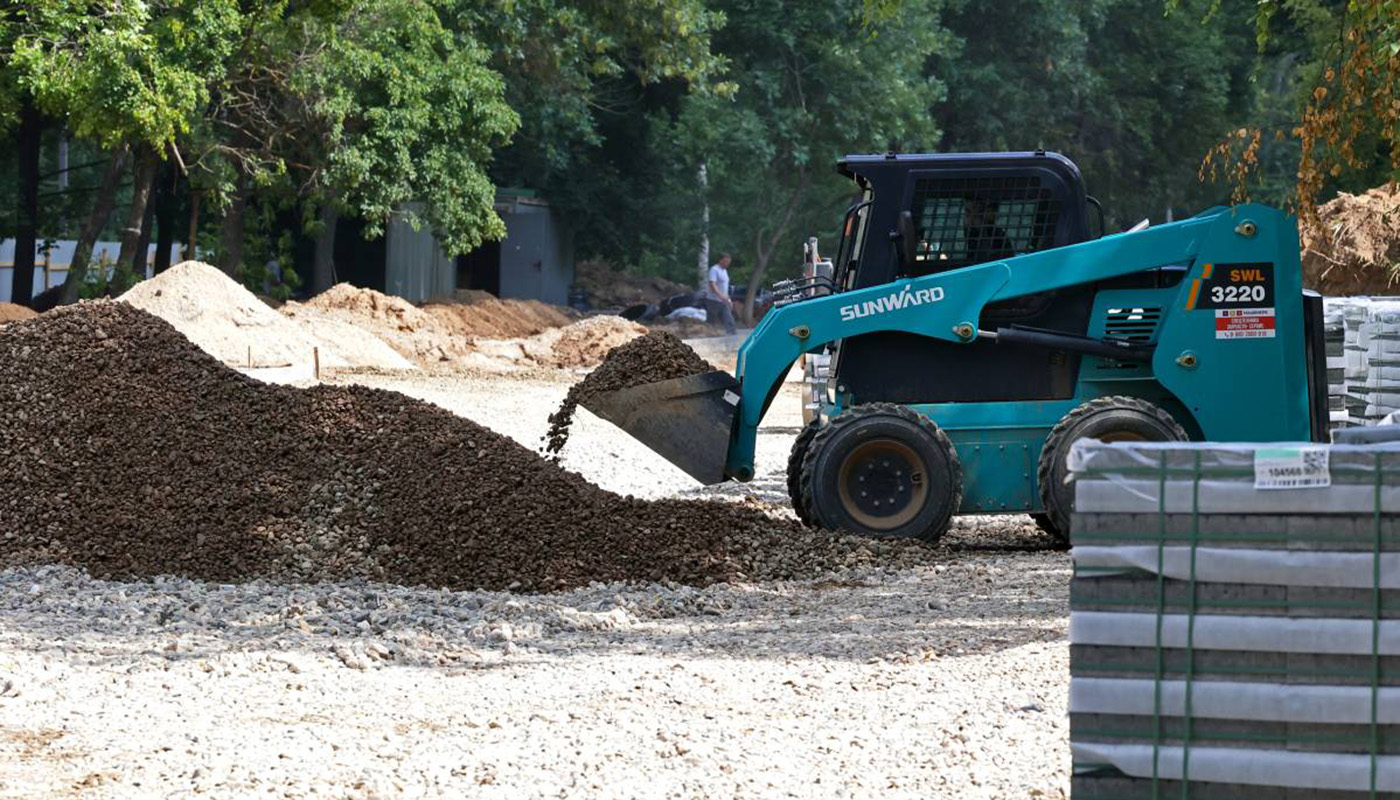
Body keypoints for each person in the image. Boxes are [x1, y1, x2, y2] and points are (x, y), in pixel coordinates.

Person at [962, 197, 1016, 266]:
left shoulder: (998, 235)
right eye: (968, 212)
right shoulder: (959, 236)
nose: (972, 217)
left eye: (978, 213)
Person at [705, 253, 737, 335]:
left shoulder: (725, 271)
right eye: (726, 262)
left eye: (728, 262)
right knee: (711, 320)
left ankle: (732, 335)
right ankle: (708, 334)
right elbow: (712, 284)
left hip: (723, 301)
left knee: (729, 318)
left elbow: (725, 287)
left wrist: (728, 300)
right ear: (721, 260)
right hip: (713, 300)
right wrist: (720, 295)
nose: (727, 264)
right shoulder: (714, 270)